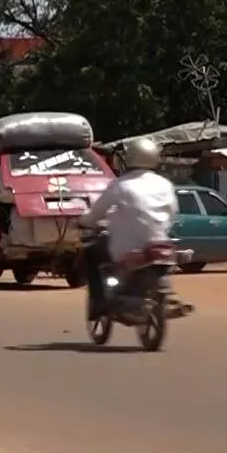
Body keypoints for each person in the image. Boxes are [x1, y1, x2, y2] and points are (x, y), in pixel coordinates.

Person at [78, 136, 179, 319]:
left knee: (90, 254)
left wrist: (83, 221)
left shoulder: (120, 185)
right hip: (159, 243)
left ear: (130, 158)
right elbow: (172, 213)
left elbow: (96, 214)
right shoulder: (165, 185)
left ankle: (99, 304)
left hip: (125, 247)